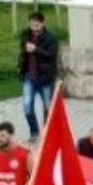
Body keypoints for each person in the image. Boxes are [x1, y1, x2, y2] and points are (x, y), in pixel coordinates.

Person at [18, 11, 59, 143]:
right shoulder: (26, 35)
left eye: (37, 25)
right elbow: (23, 51)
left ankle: (48, 133)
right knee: (27, 106)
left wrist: (36, 49)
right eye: (32, 25)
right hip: (29, 77)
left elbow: (51, 56)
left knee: (48, 108)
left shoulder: (51, 38)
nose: (34, 28)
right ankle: (34, 131)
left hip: (45, 78)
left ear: (42, 23)